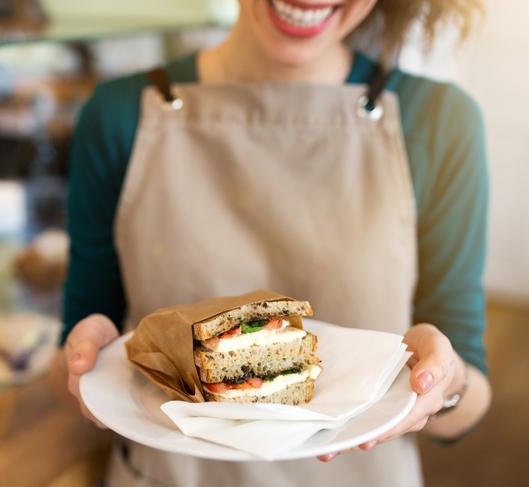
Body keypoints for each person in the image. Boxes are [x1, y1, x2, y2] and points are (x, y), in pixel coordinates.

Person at [56, 0, 492, 485]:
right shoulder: (117, 115)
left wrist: (446, 384)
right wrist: (85, 361)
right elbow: (72, 361)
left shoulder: (439, 120)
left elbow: (467, 406)